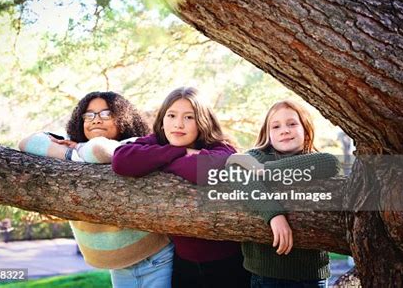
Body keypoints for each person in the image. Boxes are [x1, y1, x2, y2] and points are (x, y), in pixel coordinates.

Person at [19, 91, 173, 288]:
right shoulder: (76, 147)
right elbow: (27, 142)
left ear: (123, 118)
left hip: (155, 258)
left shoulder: (134, 146)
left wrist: (71, 152)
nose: (96, 120)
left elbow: (101, 151)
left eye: (106, 114)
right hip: (119, 267)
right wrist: (73, 152)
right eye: (89, 115)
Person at [112, 87, 250, 288]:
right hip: (184, 264)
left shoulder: (222, 148)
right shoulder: (159, 141)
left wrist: (158, 160)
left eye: (189, 117)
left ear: (203, 121)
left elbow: (200, 171)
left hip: (227, 264)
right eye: (172, 115)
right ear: (162, 119)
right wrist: (180, 152)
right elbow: (121, 160)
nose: (178, 124)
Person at [226, 99, 341, 288]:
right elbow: (234, 171)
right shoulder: (256, 156)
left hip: (312, 276)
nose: (284, 130)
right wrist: (274, 215)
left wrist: (263, 170)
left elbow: (331, 164)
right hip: (268, 275)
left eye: (292, 124)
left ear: (305, 129)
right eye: (276, 126)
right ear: (267, 133)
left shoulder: (313, 159)